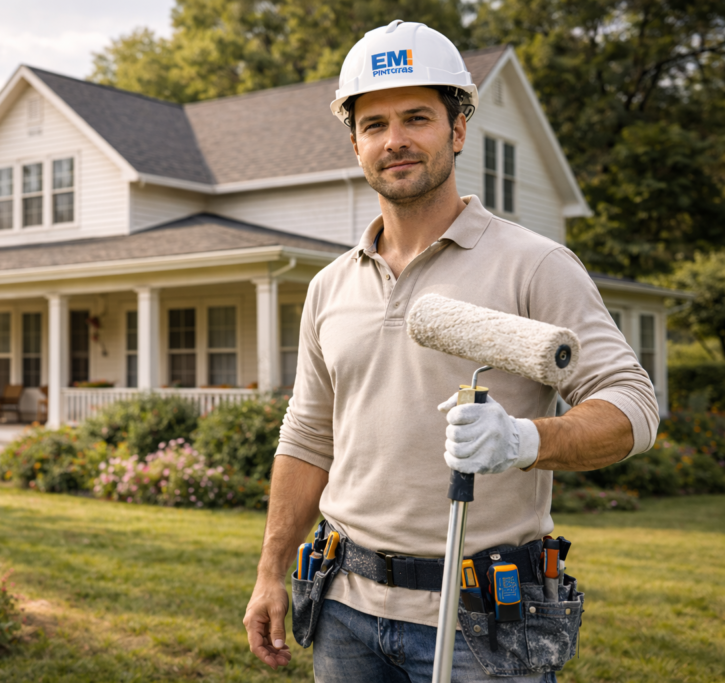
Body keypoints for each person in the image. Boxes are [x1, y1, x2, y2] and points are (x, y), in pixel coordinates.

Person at [242, 19, 659, 683]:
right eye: (374, 124)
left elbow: (634, 408)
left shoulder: (534, 264)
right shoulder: (330, 285)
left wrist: (524, 441)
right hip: (343, 608)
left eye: (417, 118)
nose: (395, 140)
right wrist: (269, 571)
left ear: (457, 130)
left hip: (482, 621)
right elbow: (308, 436)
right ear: (355, 143)